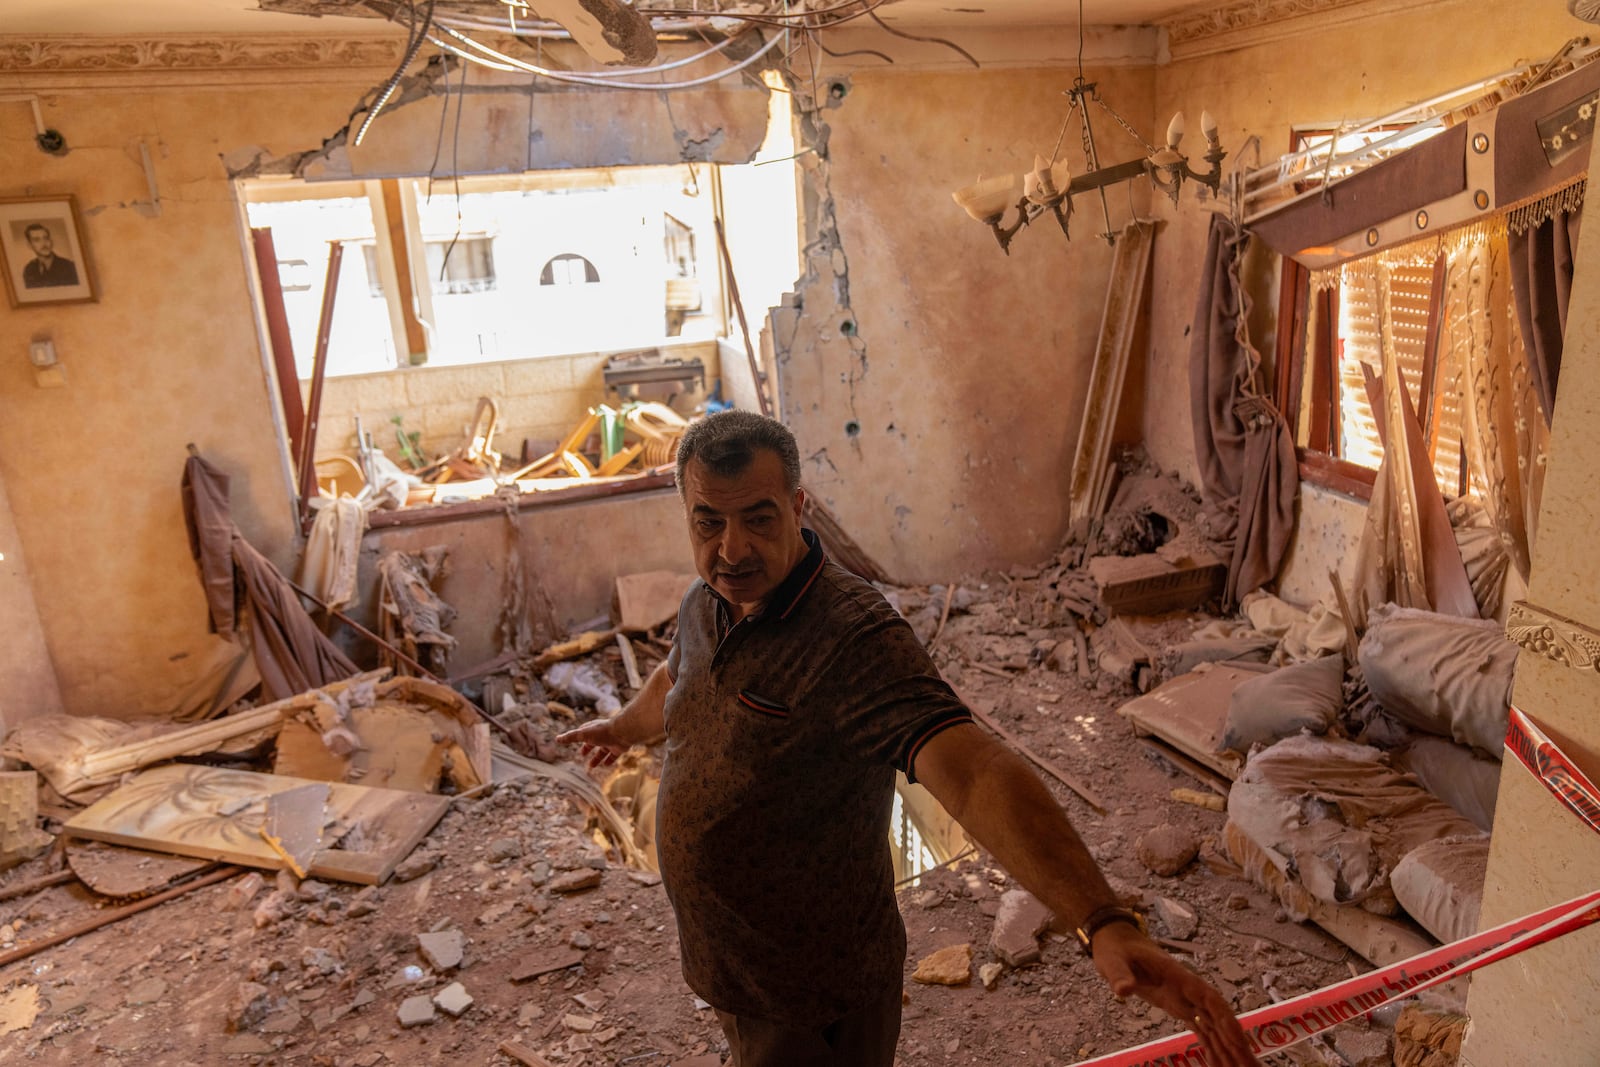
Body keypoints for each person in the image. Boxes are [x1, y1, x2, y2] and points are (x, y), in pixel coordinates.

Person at [559, 410, 1259, 1067]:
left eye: (757, 519)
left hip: (813, 991)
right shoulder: (704, 601)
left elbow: (973, 769)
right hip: (734, 968)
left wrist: (1102, 918)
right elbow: (677, 679)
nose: (730, 548)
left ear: (799, 510)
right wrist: (622, 728)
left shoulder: (853, 635)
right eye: (707, 521)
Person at [21, 223, 79, 288]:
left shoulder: (70, 267)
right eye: (36, 240)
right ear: (29, 245)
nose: (44, 243)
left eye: (46, 238)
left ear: (51, 241)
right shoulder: (29, 270)